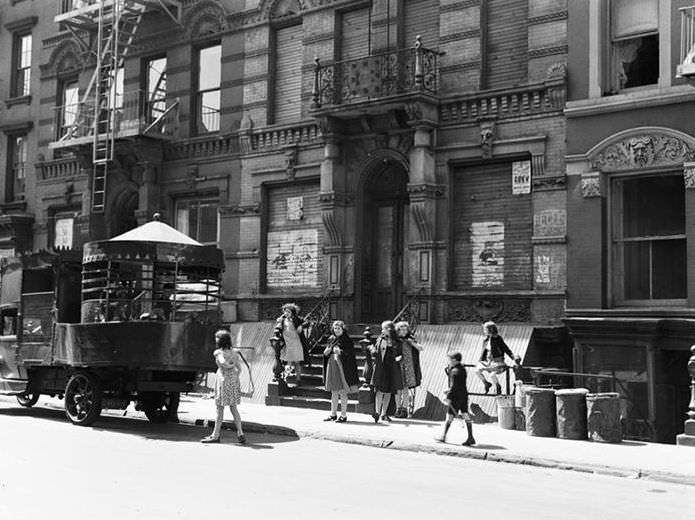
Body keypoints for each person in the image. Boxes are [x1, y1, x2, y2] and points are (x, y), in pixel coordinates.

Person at [201, 329, 246, 444]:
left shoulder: (218, 352)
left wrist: (228, 366)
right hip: (234, 380)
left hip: (223, 380)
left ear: (220, 340)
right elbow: (240, 368)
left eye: (217, 338)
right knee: (233, 408)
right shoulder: (235, 352)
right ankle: (240, 433)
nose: (215, 340)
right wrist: (234, 372)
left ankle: (215, 435)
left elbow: (223, 363)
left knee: (219, 409)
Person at [323, 320, 360, 423]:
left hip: (343, 367)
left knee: (343, 391)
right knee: (334, 391)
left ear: (343, 329)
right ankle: (333, 414)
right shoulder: (331, 339)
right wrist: (326, 352)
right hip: (332, 365)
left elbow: (350, 355)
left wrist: (341, 352)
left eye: (338, 328)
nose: (336, 330)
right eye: (335, 328)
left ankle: (343, 415)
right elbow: (326, 353)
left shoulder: (347, 340)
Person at [436, 352, 475, 446]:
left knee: (449, 417)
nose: (448, 361)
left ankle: (443, 436)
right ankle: (471, 437)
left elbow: (455, 386)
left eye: (449, 360)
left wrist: (448, 396)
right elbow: (459, 385)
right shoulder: (462, 368)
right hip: (464, 395)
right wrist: (449, 390)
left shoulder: (455, 371)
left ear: (454, 360)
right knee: (465, 414)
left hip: (456, 396)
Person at [474, 321, 521, 395]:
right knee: (477, 371)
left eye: (485, 329)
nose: (484, 331)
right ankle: (486, 383)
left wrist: (513, 357)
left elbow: (505, 348)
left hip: (498, 361)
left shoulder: (498, 338)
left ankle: (498, 387)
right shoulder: (485, 339)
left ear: (490, 330)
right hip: (488, 362)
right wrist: (481, 359)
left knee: (492, 375)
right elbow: (483, 351)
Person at [370, 320, 402, 423]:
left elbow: (400, 353)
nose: (382, 330)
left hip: (392, 367)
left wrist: (399, 357)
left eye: (384, 328)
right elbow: (376, 351)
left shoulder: (395, 341)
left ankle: (384, 413)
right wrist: (373, 350)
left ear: (389, 329)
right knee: (380, 390)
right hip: (382, 367)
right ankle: (377, 412)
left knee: (388, 392)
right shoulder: (380, 339)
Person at [394, 321, 423, 418]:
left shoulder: (410, 339)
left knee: (405, 388)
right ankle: (398, 409)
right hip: (398, 366)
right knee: (398, 389)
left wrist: (412, 343)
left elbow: (420, 348)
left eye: (405, 329)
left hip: (409, 366)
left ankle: (404, 409)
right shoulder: (395, 340)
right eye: (401, 330)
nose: (403, 331)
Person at [275, 303, 307, 384]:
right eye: (285, 312)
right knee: (288, 362)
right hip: (287, 344)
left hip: (296, 343)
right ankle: (286, 377)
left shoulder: (296, 319)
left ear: (292, 313)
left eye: (288, 312)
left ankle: (298, 379)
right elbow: (278, 327)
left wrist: (301, 326)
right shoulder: (282, 320)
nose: (286, 313)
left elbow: (307, 322)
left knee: (297, 362)